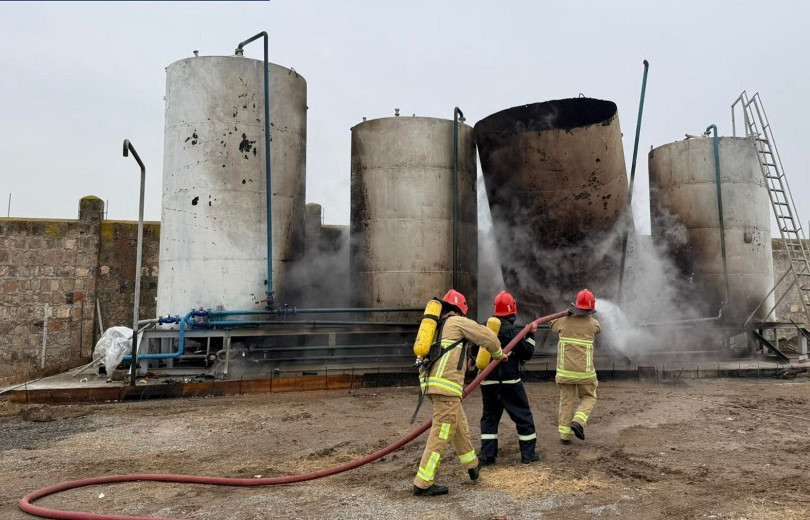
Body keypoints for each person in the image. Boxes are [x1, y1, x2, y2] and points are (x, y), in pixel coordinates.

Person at [413, 289, 507, 497]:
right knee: (441, 433)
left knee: (458, 426)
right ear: (460, 309)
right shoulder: (457, 322)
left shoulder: (438, 325)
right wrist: (499, 354)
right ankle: (423, 482)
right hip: (446, 387)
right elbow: (488, 338)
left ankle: (472, 466)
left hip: (432, 385)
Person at [479, 290, 541, 465]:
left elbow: (475, 353)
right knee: (523, 417)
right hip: (510, 383)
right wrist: (530, 335)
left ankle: (488, 456)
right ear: (513, 310)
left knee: (489, 418)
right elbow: (527, 353)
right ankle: (528, 454)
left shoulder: (484, 329)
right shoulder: (515, 332)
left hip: (488, 382)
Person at [549, 288, 601, 443]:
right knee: (589, 397)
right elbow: (598, 329)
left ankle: (565, 434)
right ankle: (578, 421)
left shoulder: (563, 321)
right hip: (585, 373)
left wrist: (566, 314)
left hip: (565, 373)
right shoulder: (593, 324)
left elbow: (552, 324)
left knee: (566, 401)